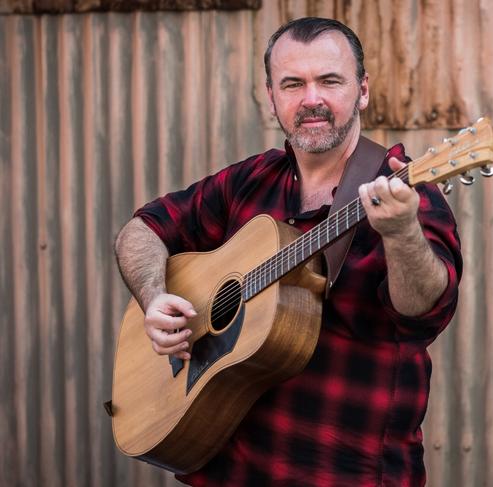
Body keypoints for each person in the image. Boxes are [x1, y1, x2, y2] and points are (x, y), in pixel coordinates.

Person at [114, 17, 462, 487]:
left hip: (344, 474)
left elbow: (425, 314)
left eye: (329, 81)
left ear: (361, 91)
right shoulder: (250, 181)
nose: (311, 99)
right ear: (271, 95)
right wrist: (153, 296)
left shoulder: (402, 188)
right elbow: (142, 229)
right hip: (225, 470)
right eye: (293, 84)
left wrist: (400, 234)